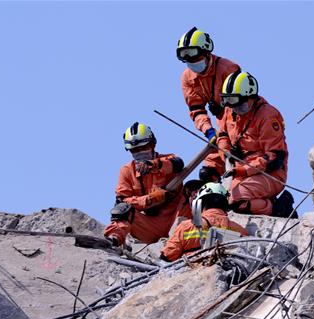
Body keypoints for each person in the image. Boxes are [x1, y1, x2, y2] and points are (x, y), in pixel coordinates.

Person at [199, 71, 293, 217]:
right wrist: (225, 152)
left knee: (235, 200)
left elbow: (274, 157)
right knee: (217, 199)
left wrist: (243, 170)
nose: (235, 108)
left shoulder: (267, 116)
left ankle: (278, 209)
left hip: (269, 174)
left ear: (251, 98)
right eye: (230, 102)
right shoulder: (230, 109)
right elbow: (223, 134)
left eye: (238, 104)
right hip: (239, 171)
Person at [103, 122, 188, 247]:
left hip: (178, 219)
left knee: (193, 189)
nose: (139, 153)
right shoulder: (127, 171)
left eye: (143, 148)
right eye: (135, 150)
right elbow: (121, 201)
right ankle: (113, 240)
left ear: (153, 144)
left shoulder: (168, 159)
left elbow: (177, 164)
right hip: (150, 227)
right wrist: (149, 200)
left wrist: (154, 164)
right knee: (122, 210)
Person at [176, 26, 240, 158]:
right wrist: (209, 131)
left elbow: (242, 104)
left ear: (206, 53)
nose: (192, 62)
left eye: (194, 57)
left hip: (241, 125)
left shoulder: (228, 69)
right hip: (222, 129)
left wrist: (223, 110)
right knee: (209, 167)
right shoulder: (187, 77)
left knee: (235, 158)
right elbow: (197, 110)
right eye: (187, 59)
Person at [160, 182, 248, 262]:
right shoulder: (240, 231)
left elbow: (168, 255)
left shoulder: (186, 227)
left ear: (200, 203)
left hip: (194, 272)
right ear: (225, 204)